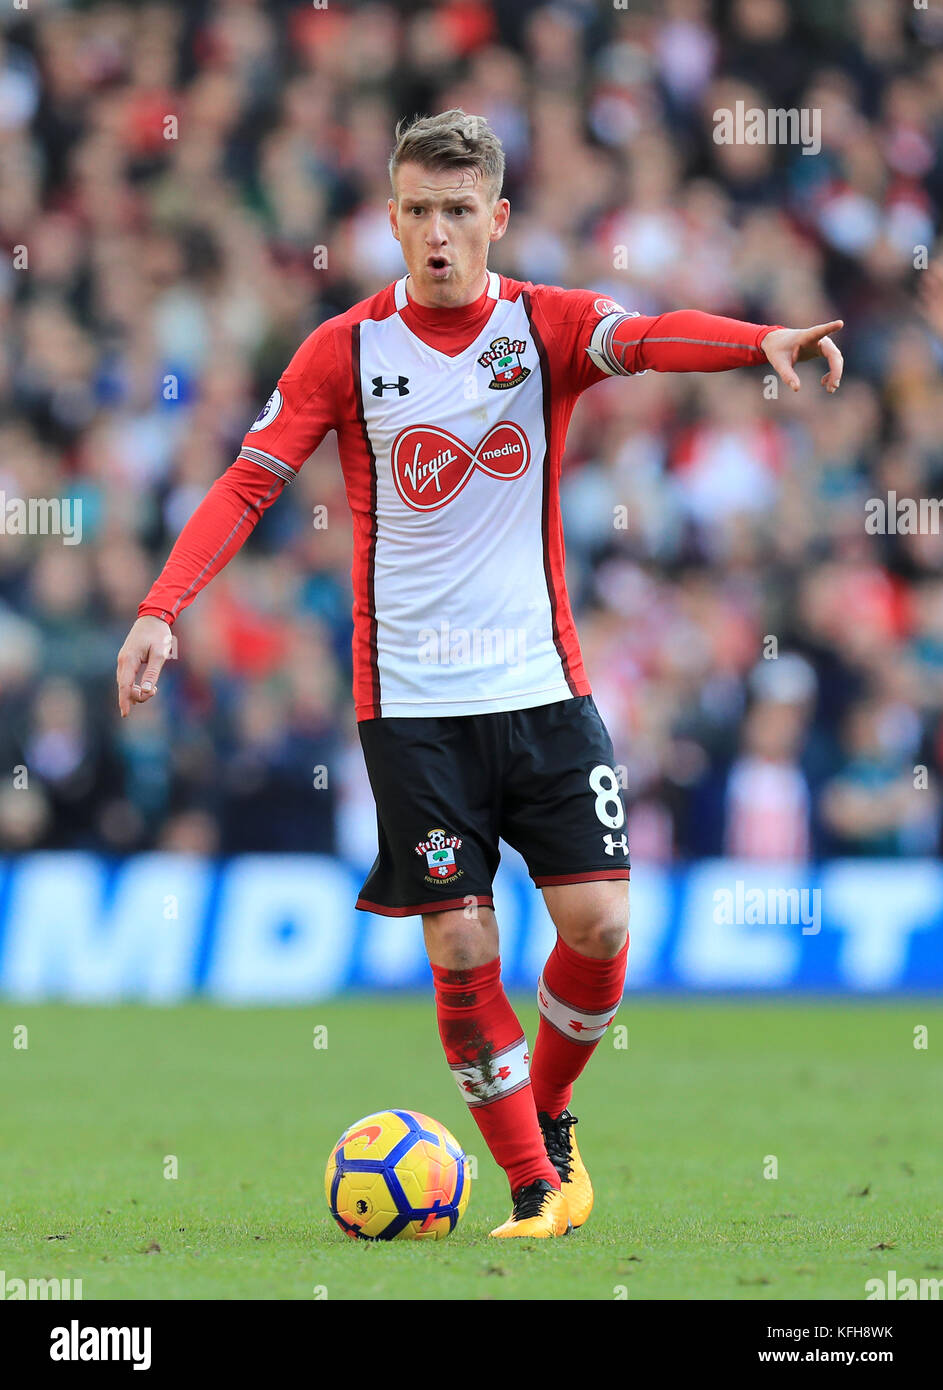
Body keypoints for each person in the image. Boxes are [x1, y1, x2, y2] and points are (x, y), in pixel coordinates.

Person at [116, 110, 843, 1238]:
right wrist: (163, 608)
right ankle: (531, 1187)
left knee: (599, 924)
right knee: (461, 941)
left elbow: (645, 339)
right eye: (418, 212)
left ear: (496, 218)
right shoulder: (343, 348)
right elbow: (249, 480)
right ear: (391, 219)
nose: (439, 234)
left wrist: (758, 342)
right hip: (409, 705)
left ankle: (544, 1110)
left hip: (542, 686)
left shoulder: (541, 325)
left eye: (460, 211)